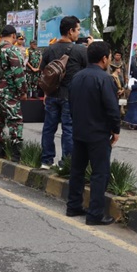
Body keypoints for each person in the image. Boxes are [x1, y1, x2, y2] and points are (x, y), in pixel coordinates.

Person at [66, 41, 120, 225]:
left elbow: (71, 104)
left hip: (79, 131)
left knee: (77, 170)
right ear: (104, 59)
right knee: (99, 173)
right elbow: (112, 109)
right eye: (110, 56)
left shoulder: (77, 77)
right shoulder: (105, 79)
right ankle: (95, 214)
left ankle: (73, 206)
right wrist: (116, 130)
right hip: (98, 133)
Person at [39, 16, 89, 169]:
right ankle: (66, 164)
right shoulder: (80, 51)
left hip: (52, 95)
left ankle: (46, 161)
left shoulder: (50, 49)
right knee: (68, 129)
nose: (78, 33)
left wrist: (46, 93)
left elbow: (43, 71)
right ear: (70, 31)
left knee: (49, 128)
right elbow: (90, 70)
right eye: (78, 30)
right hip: (70, 96)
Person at [0, 25, 27, 162]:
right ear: (13, 36)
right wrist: (23, 91)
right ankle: (16, 154)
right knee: (15, 121)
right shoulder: (12, 50)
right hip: (9, 91)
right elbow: (19, 73)